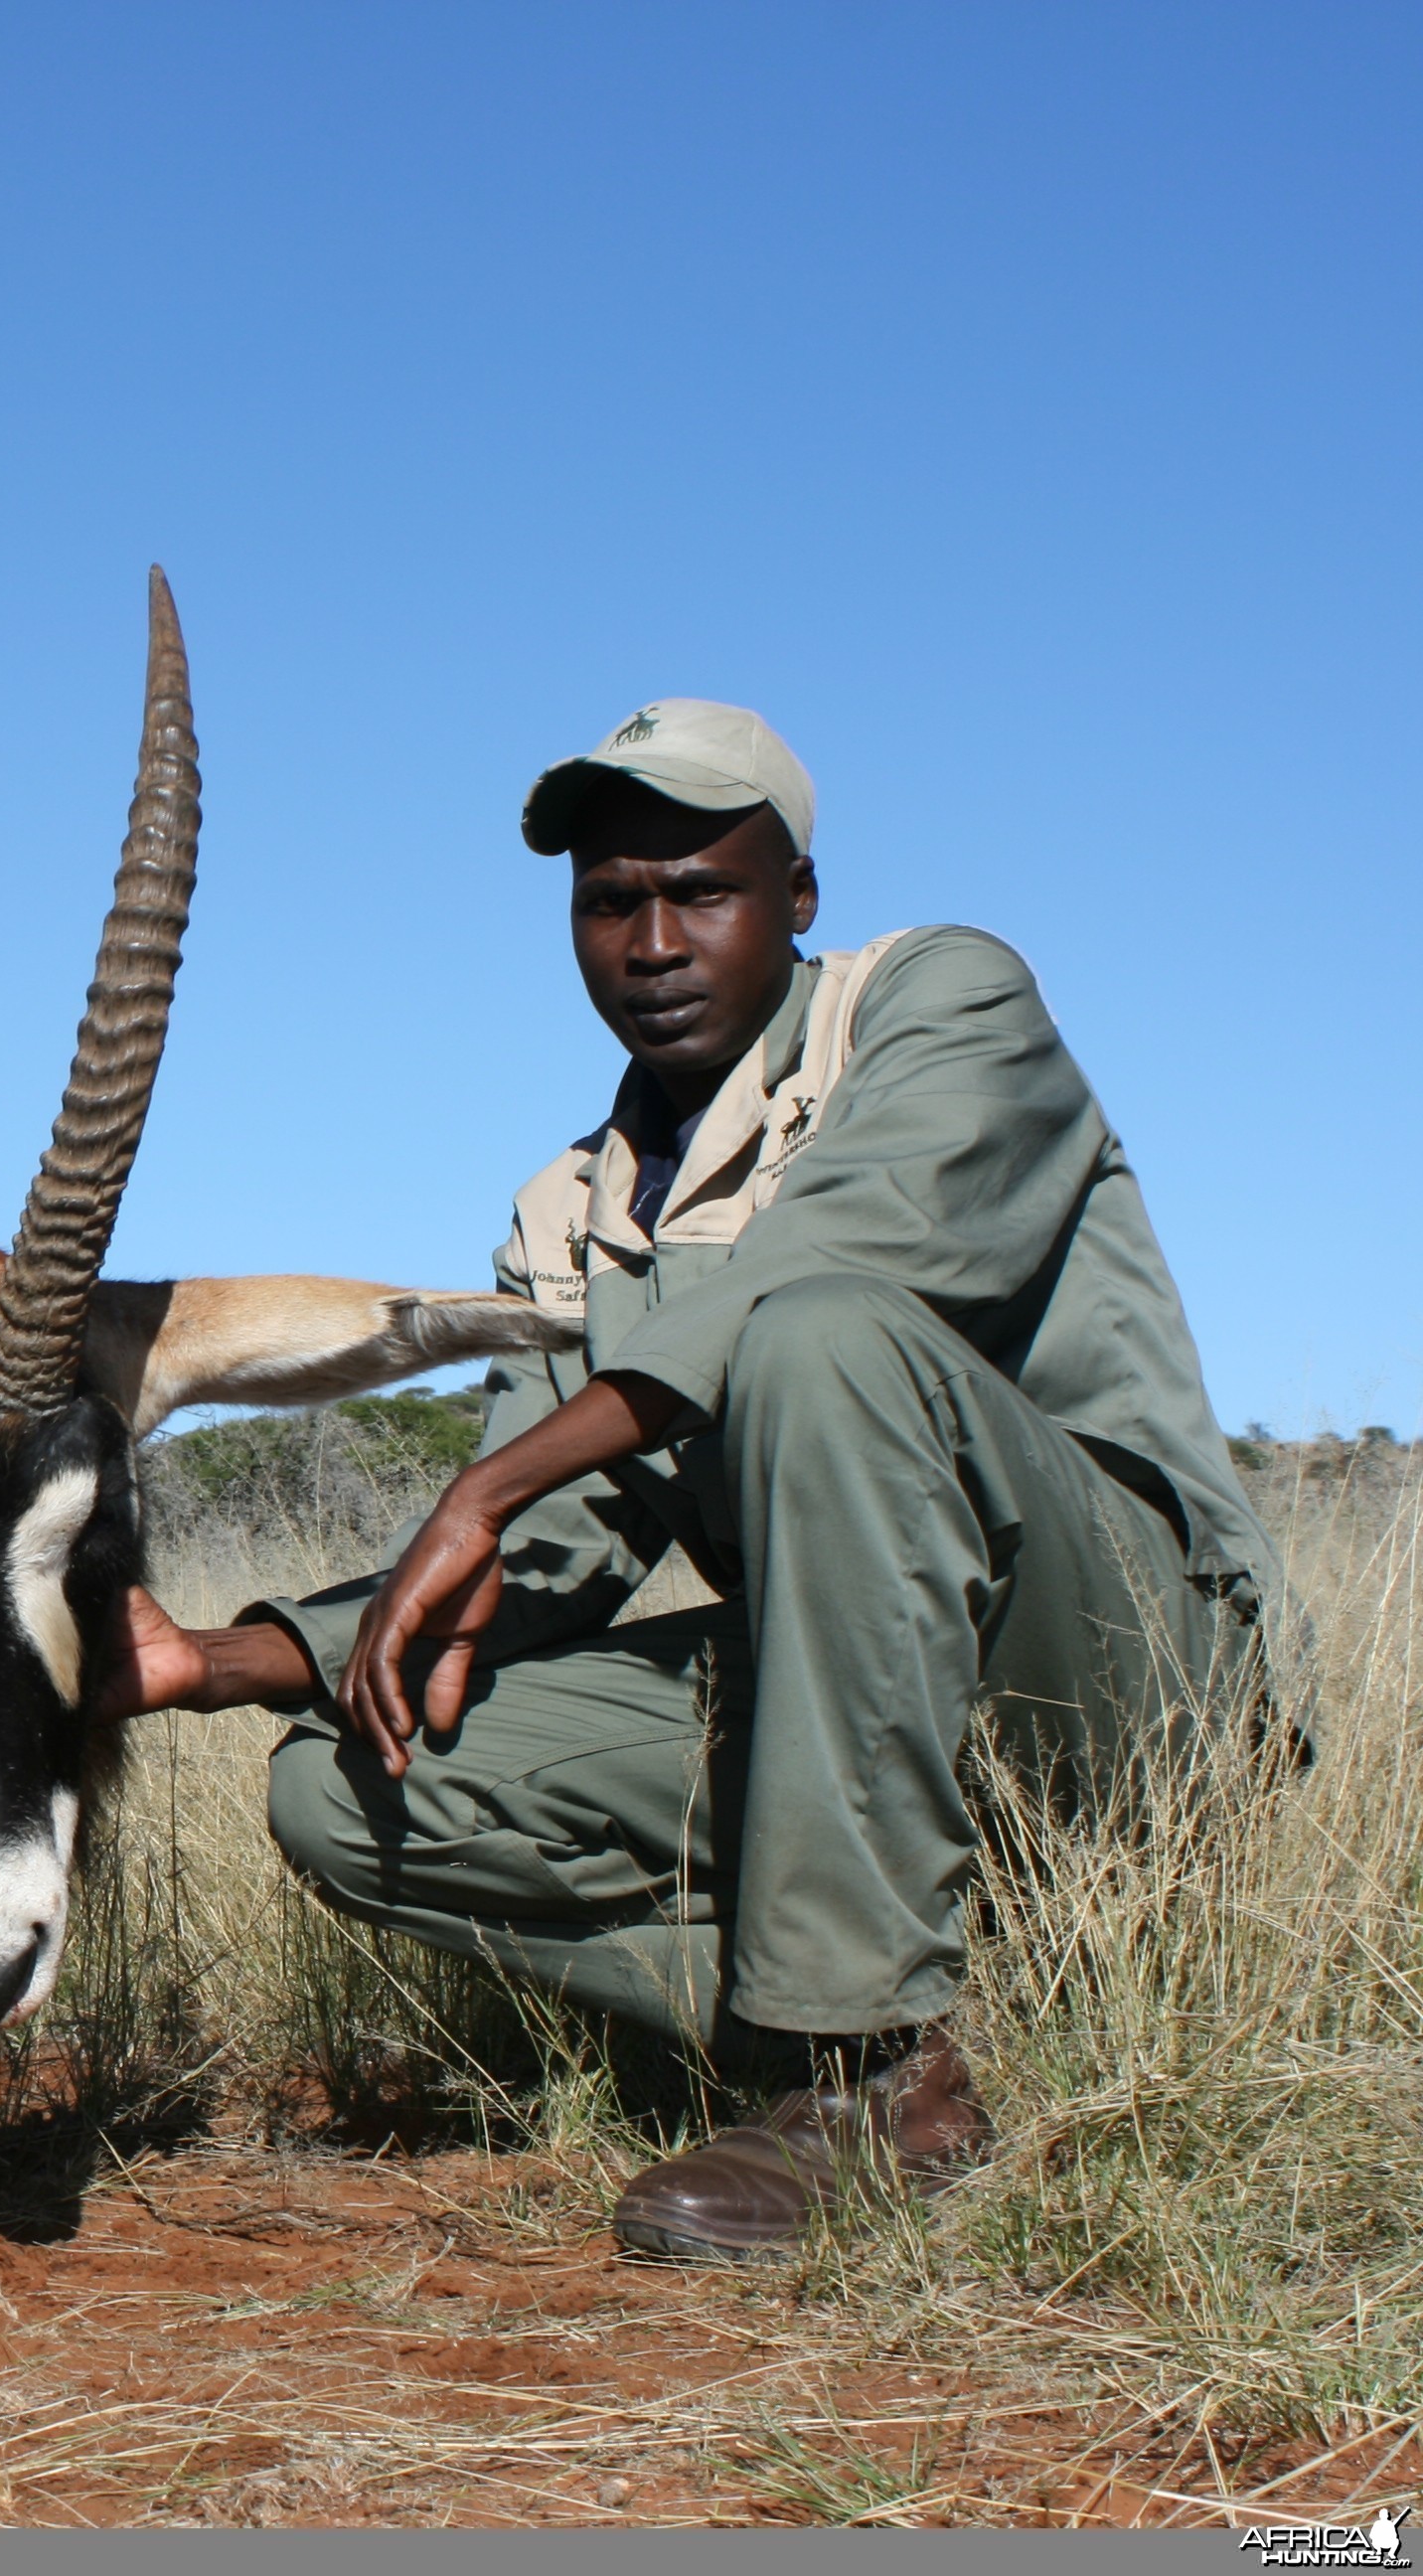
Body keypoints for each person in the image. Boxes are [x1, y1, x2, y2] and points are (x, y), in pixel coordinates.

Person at [97, 699, 1282, 2262]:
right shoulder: (569, 1211)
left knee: (826, 1339)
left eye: (703, 893)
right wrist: (219, 1659)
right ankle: (950, 2018)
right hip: (851, 1702)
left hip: (1135, 1682)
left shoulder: (942, 1003)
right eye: (609, 901)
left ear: (796, 898)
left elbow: (829, 1277)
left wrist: (494, 1476)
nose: (652, 942)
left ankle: (848, 2073)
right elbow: (565, 1549)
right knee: (346, 1791)